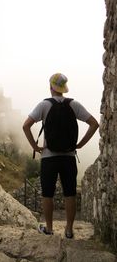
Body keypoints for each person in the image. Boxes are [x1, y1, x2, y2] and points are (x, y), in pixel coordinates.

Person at [22, 73, 99, 238]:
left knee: (47, 194)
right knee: (70, 193)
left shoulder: (44, 105)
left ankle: (49, 229)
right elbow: (94, 124)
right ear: (64, 89)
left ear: (51, 87)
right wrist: (80, 144)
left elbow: (26, 126)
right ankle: (69, 230)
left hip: (49, 157)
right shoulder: (74, 104)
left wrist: (35, 146)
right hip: (69, 157)